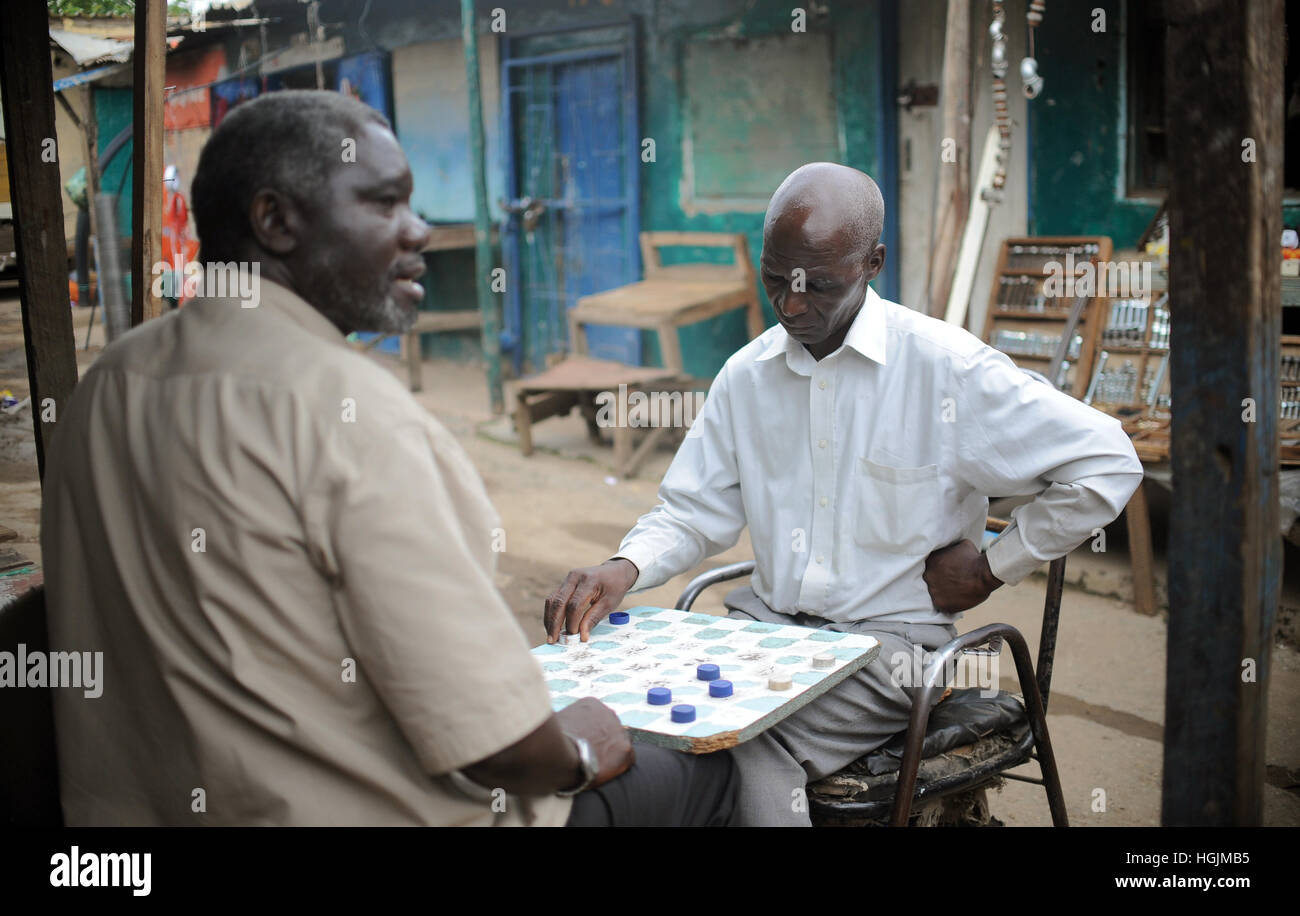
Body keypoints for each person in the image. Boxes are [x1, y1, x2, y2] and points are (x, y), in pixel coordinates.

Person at [40, 90, 735, 827]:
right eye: (385, 204)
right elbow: (496, 746)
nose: (420, 231)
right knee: (713, 776)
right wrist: (583, 751)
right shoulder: (351, 414)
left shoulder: (108, 385)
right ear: (275, 222)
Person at [545, 162, 1143, 826]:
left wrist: (993, 567)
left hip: (893, 652)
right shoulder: (746, 377)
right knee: (634, 711)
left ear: (873, 262)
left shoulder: (948, 372)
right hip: (766, 637)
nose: (791, 304)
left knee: (744, 738)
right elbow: (692, 509)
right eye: (776, 279)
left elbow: (1109, 461)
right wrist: (623, 567)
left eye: (817, 285)